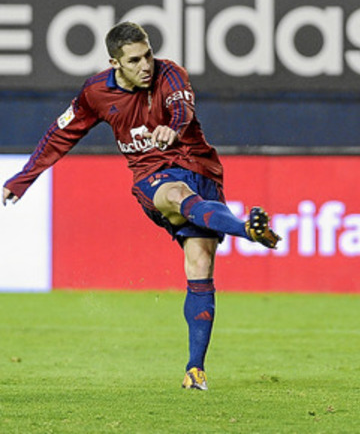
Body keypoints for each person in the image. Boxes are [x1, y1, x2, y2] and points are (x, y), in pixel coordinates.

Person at [2, 21, 280, 391]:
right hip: (153, 175)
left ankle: (195, 370)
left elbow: (182, 109)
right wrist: (24, 178)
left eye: (147, 54)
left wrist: (173, 128)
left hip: (203, 170)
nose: (145, 65)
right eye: (134, 60)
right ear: (114, 63)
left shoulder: (171, 74)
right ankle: (246, 230)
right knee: (176, 195)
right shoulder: (96, 93)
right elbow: (61, 134)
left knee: (200, 263)